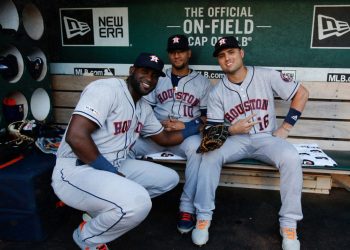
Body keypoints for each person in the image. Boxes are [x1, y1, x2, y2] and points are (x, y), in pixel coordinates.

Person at [51, 52, 199, 250]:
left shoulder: (143, 107)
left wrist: (196, 125)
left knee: (169, 179)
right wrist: (113, 174)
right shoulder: (106, 90)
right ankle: (87, 238)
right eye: (144, 71)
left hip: (112, 166)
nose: (149, 79)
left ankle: (98, 213)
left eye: (155, 75)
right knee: (138, 204)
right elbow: (76, 137)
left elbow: (164, 139)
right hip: (76, 170)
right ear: (132, 70)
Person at [191, 36, 309, 250]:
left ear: (241, 53)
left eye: (231, 52)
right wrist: (231, 129)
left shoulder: (265, 75)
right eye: (221, 55)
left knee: (291, 157)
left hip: (266, 139)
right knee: (209, 155)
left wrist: (286, 127)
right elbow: (211, 132)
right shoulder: (217, 92)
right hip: (236, 140)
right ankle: (203, 216)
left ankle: (289, 223)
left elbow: (302, 93)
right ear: (218, 61)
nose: (227, 58)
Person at [130, 34, 212, 234]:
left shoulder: (202, 82)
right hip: (155, 132)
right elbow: (143, 108)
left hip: (185, 136)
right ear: (169, 55)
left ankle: (186, 208)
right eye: (173, 52)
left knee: (197, 149)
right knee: (129, 145)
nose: (177, 56)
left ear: (188, 53)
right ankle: (126, 196)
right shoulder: (157, 77)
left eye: (181, 51)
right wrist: (154, 125)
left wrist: (185, 127)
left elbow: (206, 119)